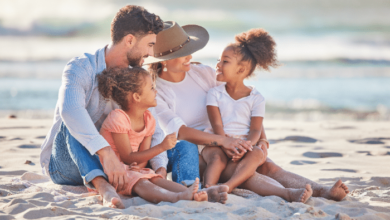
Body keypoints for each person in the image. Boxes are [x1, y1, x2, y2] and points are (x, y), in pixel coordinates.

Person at [146, 22, 349, 202]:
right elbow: (180, 132)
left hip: (231, 139)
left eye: (189, 49)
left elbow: (241, 104)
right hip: (201, 152)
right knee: (243, 172)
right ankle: (289, 194)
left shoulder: (203, 73)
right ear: (165, 60)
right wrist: (223, 141)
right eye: (183, 53)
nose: (190, 56)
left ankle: (323, 190)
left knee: (267, 166)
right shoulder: (157, 92)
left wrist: (261, 139)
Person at [39, 5, 214, 209]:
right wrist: (105, 152)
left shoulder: (136, 77)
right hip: (71, 163)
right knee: (70, 122)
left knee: (181, 144)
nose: (151, 53)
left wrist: (158, 167)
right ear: (129, 40)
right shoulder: (80, 67)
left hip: (123, 164)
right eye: (149, 44)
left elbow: (153, 127)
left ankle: (190, 189)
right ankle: (102, 186)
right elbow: (70, 110)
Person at [96, 67, 207, 203]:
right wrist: (162, 147)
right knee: (142, 181)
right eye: (151, 88)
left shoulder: (149, 119)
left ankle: (190, 192)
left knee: (155, 178)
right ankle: (176, 197)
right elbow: (127, 156)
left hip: (131, 168)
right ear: (137, 97)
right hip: (114, 171)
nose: (156, 91)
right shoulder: (118, 118)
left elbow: (144, 154)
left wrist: (140, 167)